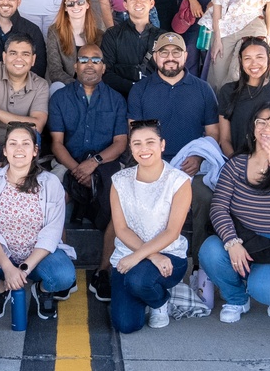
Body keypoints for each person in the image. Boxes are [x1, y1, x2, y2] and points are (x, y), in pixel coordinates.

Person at [199, 102, 270, 323]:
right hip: (245, 237)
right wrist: (232, 242)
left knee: (266, 291)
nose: (266, 127)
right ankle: (237, 298)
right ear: (252, 127)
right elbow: (219, 206)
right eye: (260, 121)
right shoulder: (235, 165)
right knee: (210, 251)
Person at [127, 32, 219, 268]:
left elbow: (213, 134)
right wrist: (156, 165)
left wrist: (198, 158)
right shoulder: (140, 89)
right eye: (164, 52)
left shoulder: (203, 89)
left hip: (192, 166)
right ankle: (148, 262)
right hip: (152, 164)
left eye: (176, 52)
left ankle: (201, 268)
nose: (170, 57)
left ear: (185, 56)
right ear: (155, 57)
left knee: (205, 196)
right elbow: (136, 136)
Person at [0, 123, 76, 321]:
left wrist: (23, 269)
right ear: (4, 150)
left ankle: (43, 289)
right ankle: (0, 289)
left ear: (35, 151)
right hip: (2, 254)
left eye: (25, 144)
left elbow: (52, 232)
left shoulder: (50, 183)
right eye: (12, 143)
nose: (19, 149)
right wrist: (7, 267)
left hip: (37, 256)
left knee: (64, 276)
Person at [49, 44, 128, 302]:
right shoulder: (60, 98)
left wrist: (93, 162)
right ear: (75, 66)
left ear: (104, 67)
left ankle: (103, 272)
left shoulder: (116, 99)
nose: (90, 64)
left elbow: (120, 143)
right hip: (68, 160)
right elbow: (57, 144)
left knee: (119, 204)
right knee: (54, 200)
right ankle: (63, 271)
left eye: (96, 60)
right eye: (84, 59)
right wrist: (76, 169)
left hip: (105, 161)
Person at [108, 120, 191, 333]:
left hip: (169, 255)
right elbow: (122, 229)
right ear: (130, 147)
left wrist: (138, 257)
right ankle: (146, 292)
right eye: (137, 144)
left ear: (162, 145)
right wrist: (151, 256)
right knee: (125, 325)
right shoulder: (119, 181)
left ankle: (160, 301)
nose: (143, 149)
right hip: (130, 255)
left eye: (150, 142)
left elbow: (172, 232)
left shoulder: (179, 181)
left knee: (138, 281)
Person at [0, 32, 50, 187]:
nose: (19, 59)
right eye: (13, 53)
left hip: (20, 152)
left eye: (25, 54)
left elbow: (37, 126)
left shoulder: (40, 84)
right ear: (4, 57)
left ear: (33, 60)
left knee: (23, 186)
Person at [217, 37, 270, 158]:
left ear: (269, 58)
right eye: (248, 58)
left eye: (259, 57)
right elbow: (225, 139)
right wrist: (237, 165)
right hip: (237, 165)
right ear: (240, 60)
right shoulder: (227, 91)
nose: (254, 64)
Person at [100, 0, 162, 97]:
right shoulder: (112, 35)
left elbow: (170, 72)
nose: (138, 3)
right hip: (119, 99)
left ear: (152, 3)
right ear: (125, 5)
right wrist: (133, 87)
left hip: (155, 98)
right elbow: (105, 72)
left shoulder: (162, 37)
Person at [46, 0, 103, 93]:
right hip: (66, 86)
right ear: (66, 7)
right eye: (70, 3)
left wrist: (89, 85)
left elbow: (102, 69)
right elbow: (55, 71)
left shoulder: (99, 35)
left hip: (93, 86)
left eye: (80, 1)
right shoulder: (54, 32)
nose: (75, 6)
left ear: (87, 4)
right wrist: (78, 86)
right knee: (56, 86)